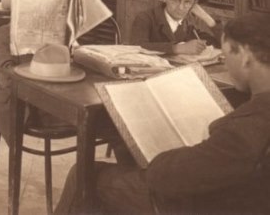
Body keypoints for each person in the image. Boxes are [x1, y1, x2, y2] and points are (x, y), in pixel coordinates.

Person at [55, 12, 270, 215]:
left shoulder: (245, 129)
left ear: (244, 55)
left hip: (206, 205)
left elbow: (164, 177)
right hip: (243, 197)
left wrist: (164, 157)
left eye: (225, 54)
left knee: (85, 175)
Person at [130, 0, 222, 55]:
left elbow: (223, 44)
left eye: (187, 2)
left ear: (194, 3)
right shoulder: (145, 18)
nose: (181, 7)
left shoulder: (189, 26)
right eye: (176, 0)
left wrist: (207, 18)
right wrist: (177, 48)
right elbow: (136, 47)